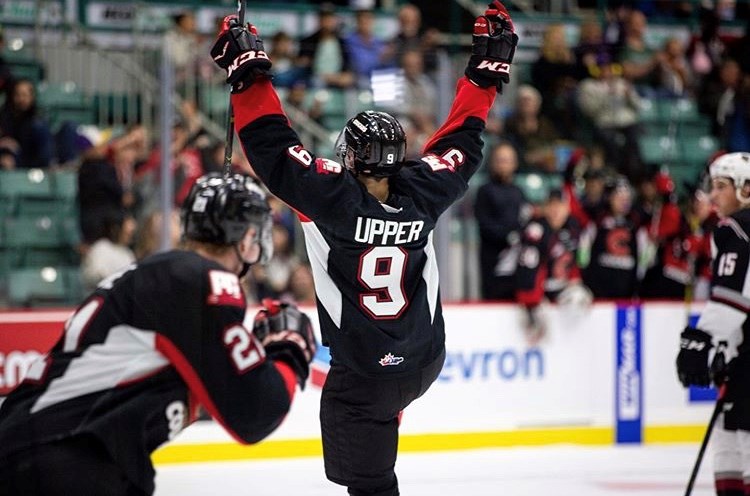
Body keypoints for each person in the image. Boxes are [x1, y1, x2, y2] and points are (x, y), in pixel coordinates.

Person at [209, 3, 517, 494]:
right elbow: (463, 139)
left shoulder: (330, 197)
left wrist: (248, 77)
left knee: (368, 482)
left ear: (350, 156)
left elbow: (272, 148)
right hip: (424, 359)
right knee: (375, 438)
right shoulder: (425, 189)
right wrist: (484, 76)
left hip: (364, 376)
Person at [0, 173, 316, 496]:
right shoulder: (201, 281)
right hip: (64, 456)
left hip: (46, 448)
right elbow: (255, 412)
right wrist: (287, 351)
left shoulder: (165, 274)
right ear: (249, 238)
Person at [676, 152, 750, 496]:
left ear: (746, 190)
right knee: (731, 452)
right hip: (742, 361)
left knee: (737, 453)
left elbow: (732, 300)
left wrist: (699, 342)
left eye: (721, 186)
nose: (714, 195)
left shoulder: (735, 229)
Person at [474, 141, 528, 300]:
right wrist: (510, 235)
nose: (504, 165)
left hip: (517, 263)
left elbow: (525, 219)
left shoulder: (519, 192)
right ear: (492, 162)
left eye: (508, 160)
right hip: (494, 262)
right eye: (500, 160)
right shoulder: (485, 191)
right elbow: (485, 224)